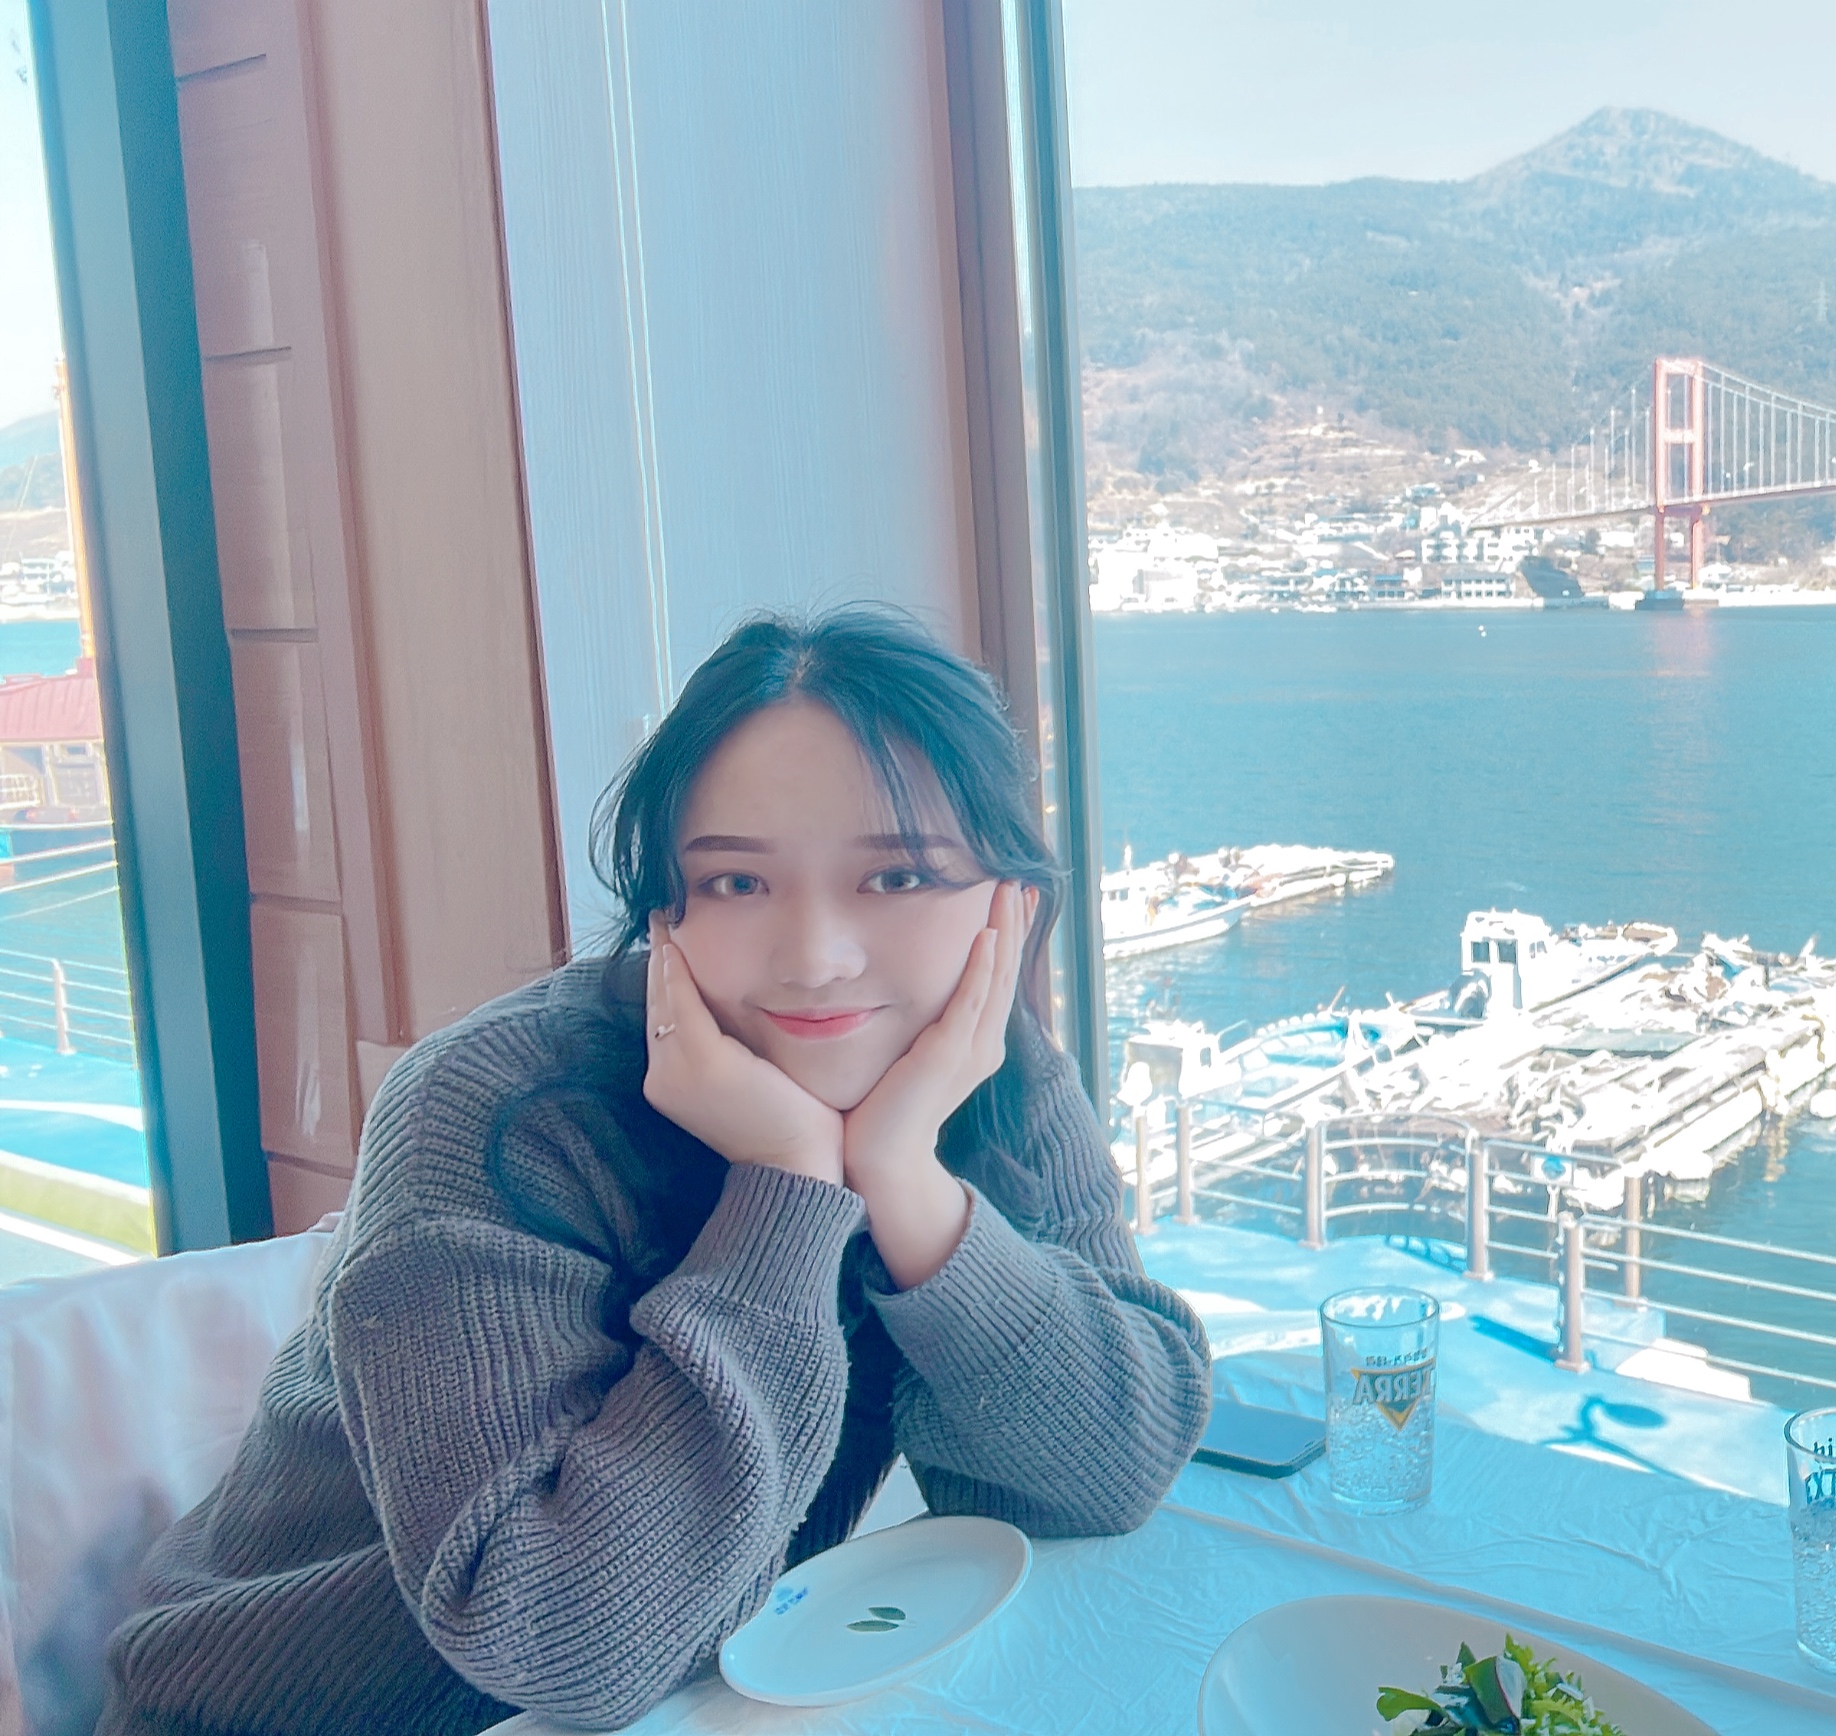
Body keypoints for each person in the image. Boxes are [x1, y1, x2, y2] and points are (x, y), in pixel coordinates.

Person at [98, 608, 1213, 1734]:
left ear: (1010, 903)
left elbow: (1104, 1471)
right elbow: (560, 1639)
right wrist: (788, 1192)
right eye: (736, 882)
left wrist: (905, 1182)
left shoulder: (974, 1068)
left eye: (896, 876)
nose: (816, 957)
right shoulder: (490, 1108)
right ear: (663, 912)